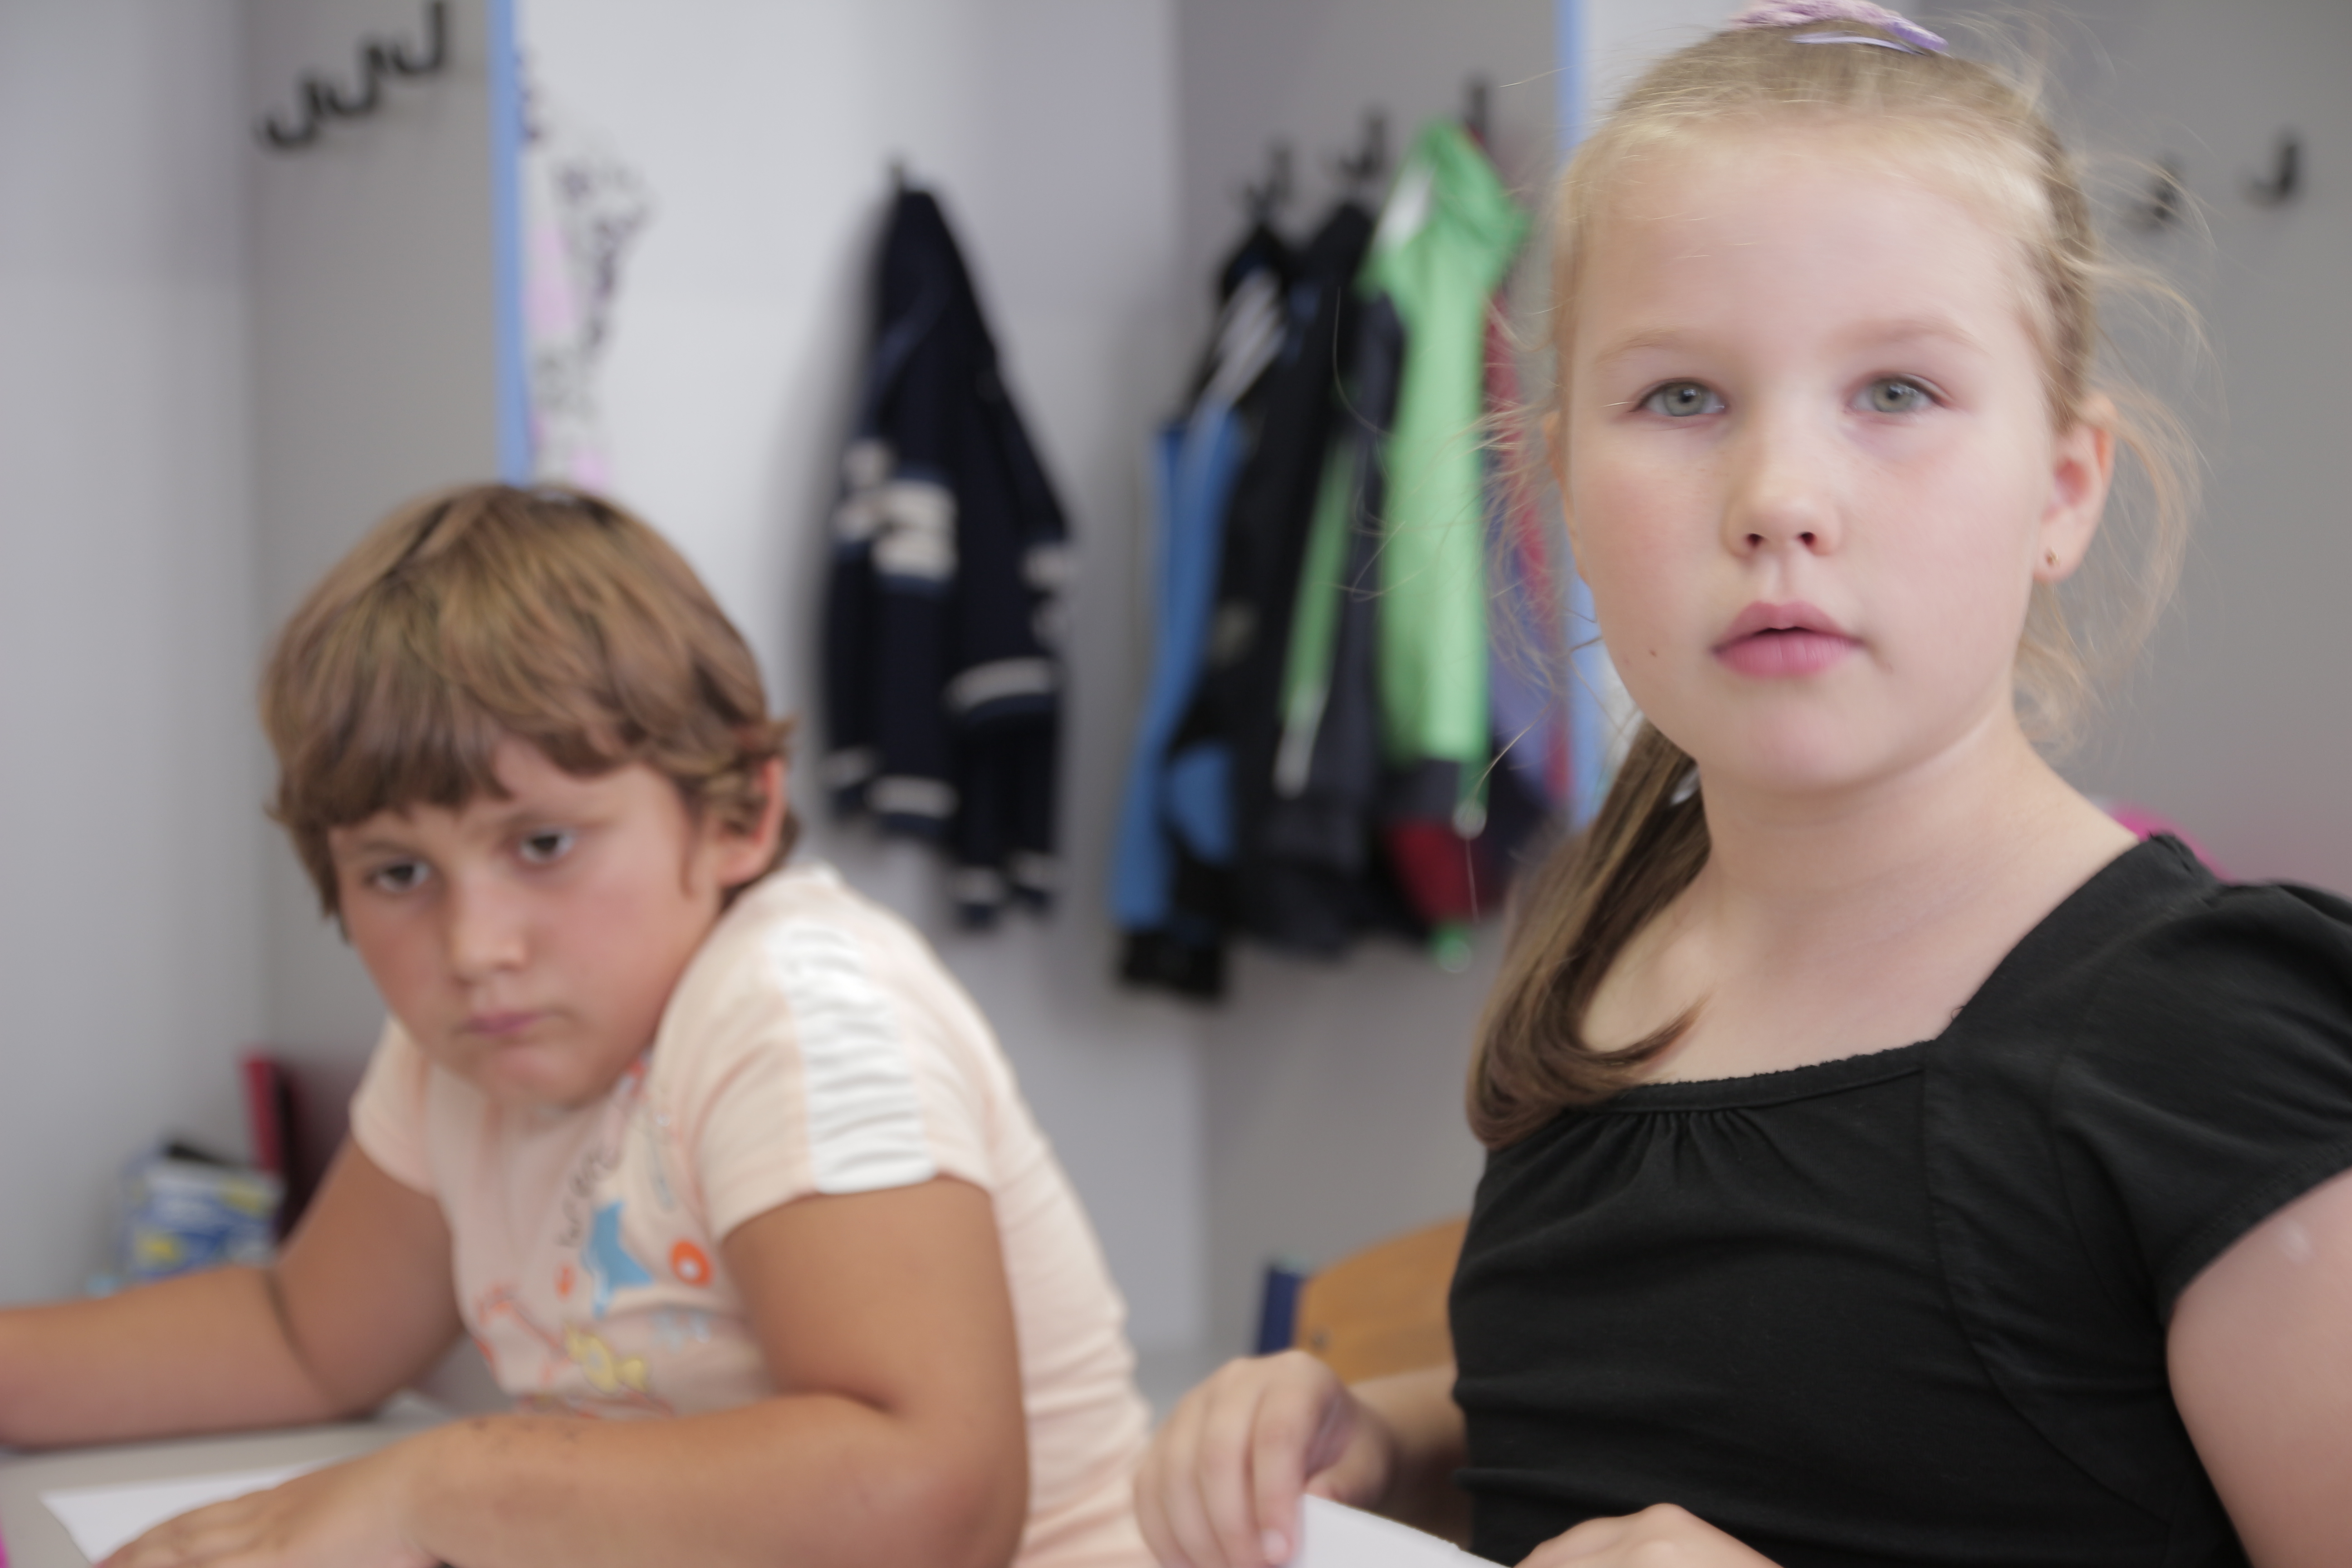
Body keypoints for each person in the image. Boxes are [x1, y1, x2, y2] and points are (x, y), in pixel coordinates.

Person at [1135, 4, 2352, 1566]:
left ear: (2062, 489)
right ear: (1562, 490)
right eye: (1682, 399)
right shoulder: (1600, 937)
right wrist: (1393, 1445)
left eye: (1896, 393)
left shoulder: (2214, 1038)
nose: (1778, 497)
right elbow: (1684, 1418)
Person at [0, 485, 1152, 1568]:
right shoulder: (471, 1044)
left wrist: (442, 1488)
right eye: (398, 872)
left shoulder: (800, 1012)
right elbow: (300, 1333)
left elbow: (932, 1495)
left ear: (740, 816)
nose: (473, 946)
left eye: (543, 845)